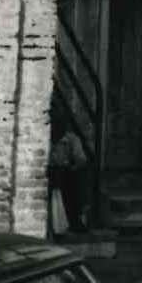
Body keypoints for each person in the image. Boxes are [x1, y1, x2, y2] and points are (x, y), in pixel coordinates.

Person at [49, 100, 89, 235]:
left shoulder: (71, 139)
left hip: (65, 172)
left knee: (75, 179)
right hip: (49, 172)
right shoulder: (44, 138)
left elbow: (81, 160)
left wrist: (71, 165)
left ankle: (74, 220)